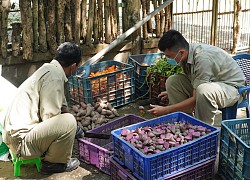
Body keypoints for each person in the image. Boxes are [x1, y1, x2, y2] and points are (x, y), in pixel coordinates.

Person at [1, 42, 82, 174]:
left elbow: (62, 106)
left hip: (14, 138)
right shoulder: (54, 77)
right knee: (69, 121)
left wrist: (76, 129)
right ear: (73, 66)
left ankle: (51, 156)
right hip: (21, 144)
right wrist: (72, 127)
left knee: (69, 121)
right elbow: (51, 118)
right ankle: (53, 164)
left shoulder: (50, 69)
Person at [148, 30, 245, 125]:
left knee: (204, 91)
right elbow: (195, 81)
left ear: (181, 52)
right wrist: (172, 92)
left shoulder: (203, 58)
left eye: (169, 56)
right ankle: (185, 123)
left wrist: (166, 110)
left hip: (233, 89)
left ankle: (202, 129)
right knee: (173, 81)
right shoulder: (187, 54)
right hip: (212, 84)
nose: (168, 59)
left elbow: (196, 97)